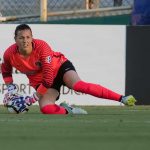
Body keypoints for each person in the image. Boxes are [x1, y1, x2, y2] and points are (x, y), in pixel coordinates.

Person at [1, 24, 136, 115]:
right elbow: (6, 70)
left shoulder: (42, 47)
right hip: (40, 81)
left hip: (59, 67)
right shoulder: (9, 53)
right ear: (15, 39)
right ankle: (69, 110)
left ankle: (122, 98)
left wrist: (30, 100)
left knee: (79, 86)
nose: (25, 41)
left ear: (32, 38)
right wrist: (11, 90)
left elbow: (48, 79)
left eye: (28, 37)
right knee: (46, 109)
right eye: (21, 38)